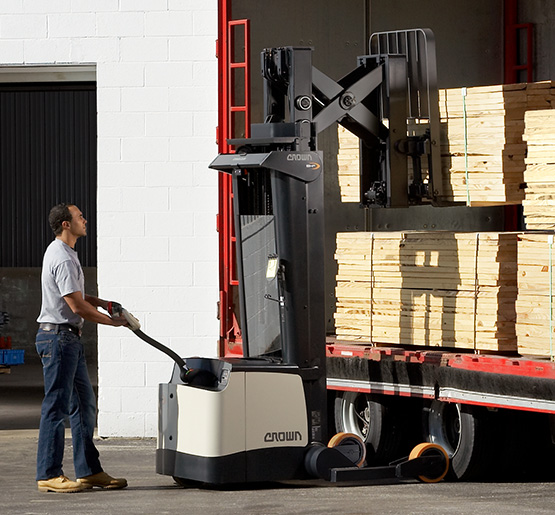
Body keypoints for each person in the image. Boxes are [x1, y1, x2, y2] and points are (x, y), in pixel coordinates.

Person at [35, 203, 128, 493]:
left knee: (84, 407)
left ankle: (89, 471)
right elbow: (76, 306)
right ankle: (48, 474)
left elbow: (75, 293)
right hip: (59, 339)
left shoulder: (66, 254)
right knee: (57, 406)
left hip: (68, 339)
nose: (84, 220)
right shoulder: (61, 257)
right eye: (79, 217)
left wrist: (101, 302)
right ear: (66, 224)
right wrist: (112, 323)